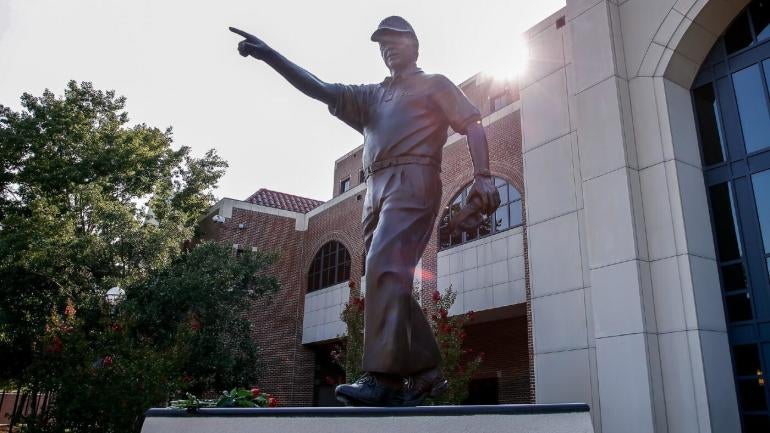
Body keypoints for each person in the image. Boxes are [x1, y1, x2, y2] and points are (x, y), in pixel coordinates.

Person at [231, 16, 500, 406]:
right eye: (381, 44)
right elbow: (321, 88)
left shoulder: (434, 84)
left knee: (382, 267)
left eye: (395, 40)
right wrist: (271, 55)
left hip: (414, 177)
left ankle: (384, 379)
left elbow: (473, 124)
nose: (388, 48)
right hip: (373, 189)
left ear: (414, 44)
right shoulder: (372, 96)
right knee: (386, 278)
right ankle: (426, 374)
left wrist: (484, 175)